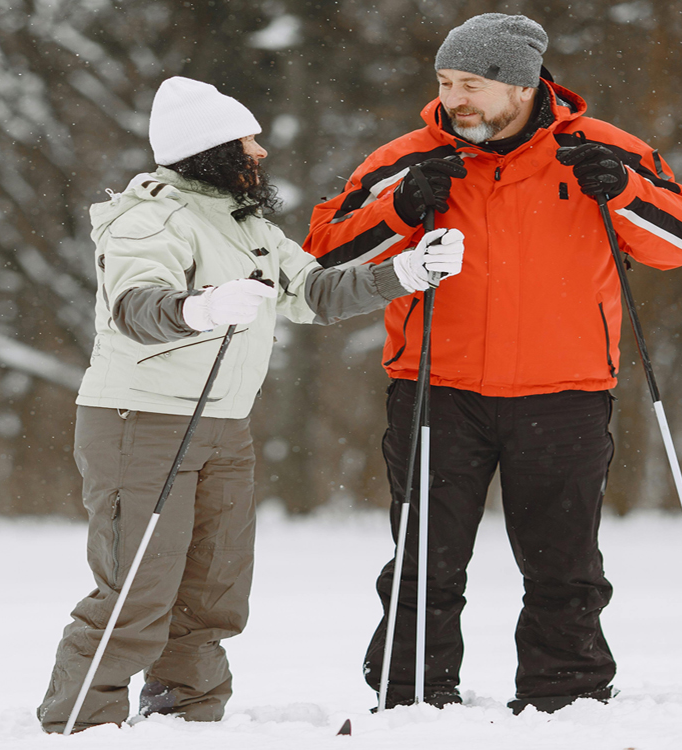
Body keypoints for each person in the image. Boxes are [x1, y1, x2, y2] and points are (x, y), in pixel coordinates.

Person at [302, 14, 682, 714]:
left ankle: (566, 696)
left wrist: (626, 193)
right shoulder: (407, 159)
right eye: (445, 82)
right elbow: (321, 256)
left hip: (565, 392)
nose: (454, 98)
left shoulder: (602, 150)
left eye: (471, 84)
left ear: (520, 86)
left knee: (565, 564)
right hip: (436, 390)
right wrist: (400, 209)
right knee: (426, 560)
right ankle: (413, 698)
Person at [37, 76, 465, 733]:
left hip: (222, 424)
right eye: (247, 140)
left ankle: (186, 711)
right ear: (207, 149)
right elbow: (135, 308)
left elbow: (314, 292)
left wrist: (406, 272)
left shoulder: (247, 222)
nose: (260, 151)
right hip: (139, 421)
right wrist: (199, 308)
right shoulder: (148, 216)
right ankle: (81, 721)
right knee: (139, 585)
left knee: (213, 587)